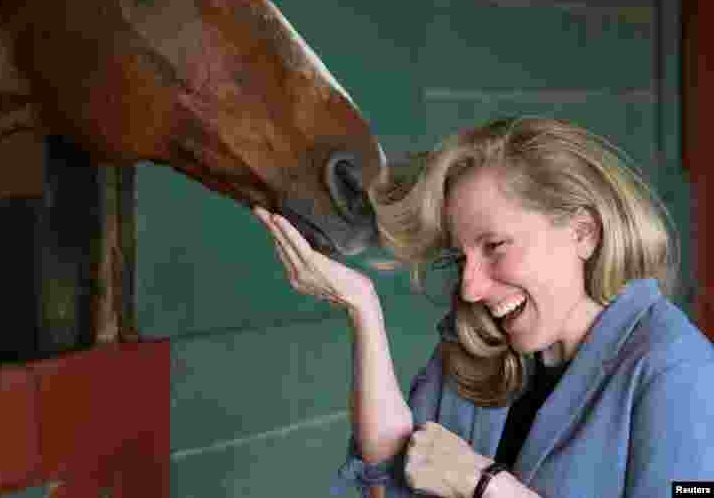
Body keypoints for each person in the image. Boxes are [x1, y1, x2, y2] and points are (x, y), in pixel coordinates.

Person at [254, 116, 714, 497]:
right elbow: (389, 478)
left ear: (583, 234)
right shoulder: (481, 339)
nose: (471, 289)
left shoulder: (678, 369)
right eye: (461, 257)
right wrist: (361, 307)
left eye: (494, 246)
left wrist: (484, 484)